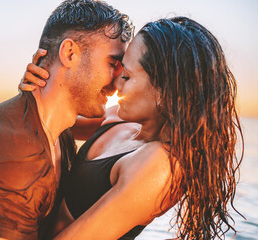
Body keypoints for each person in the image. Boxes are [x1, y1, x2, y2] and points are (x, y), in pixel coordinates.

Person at [0, 1, 134, 239]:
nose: (118, 81)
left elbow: (133, 118)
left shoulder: (57, 127)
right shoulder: (13, 152)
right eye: (113, 63)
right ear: (69, 53)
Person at [20, 16, 244, 239]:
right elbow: (50, 122)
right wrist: (41, 84)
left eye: (126, 76)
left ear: (164, 92)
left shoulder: (161, 167)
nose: (115, 84)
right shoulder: (121, 117)